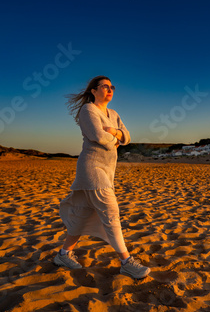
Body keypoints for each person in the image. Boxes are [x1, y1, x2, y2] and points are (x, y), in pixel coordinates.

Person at [54, 75, 150, 279]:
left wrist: (114, 132)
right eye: (104, 86)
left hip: (108, 170)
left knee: (83, 214)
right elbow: (98, 137)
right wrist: (115, 139)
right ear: (94, 91)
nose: (109, 89)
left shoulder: (113, 114)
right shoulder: (88, 110)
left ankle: (63, 254)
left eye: (111, 86)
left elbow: (127, 137)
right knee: (111, 210)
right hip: (91, 168)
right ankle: (126, 262)